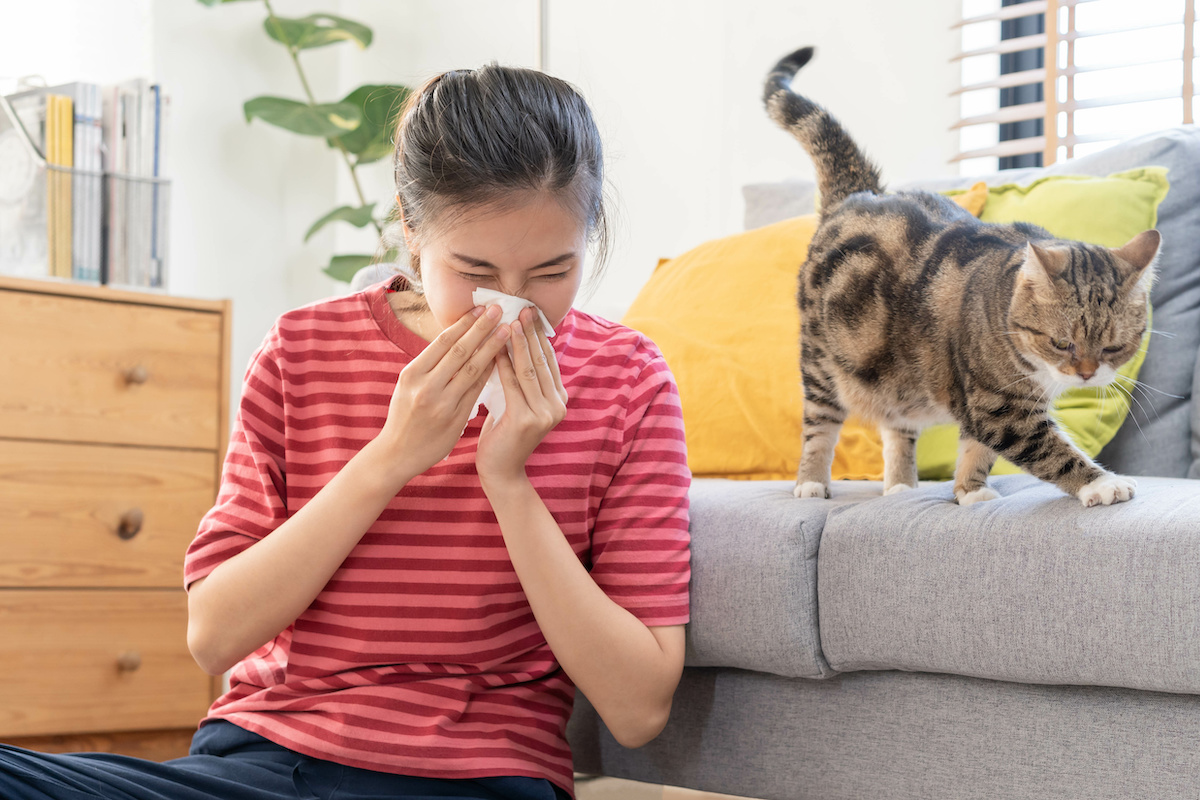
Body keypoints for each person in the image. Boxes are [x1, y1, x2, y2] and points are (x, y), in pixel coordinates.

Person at [0, 63, 691, 800]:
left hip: (475, 778)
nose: (510, 311)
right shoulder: (302, 350)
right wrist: (391, 457)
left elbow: (637, 707)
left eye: (553, 273)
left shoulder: (626, 381)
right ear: (410, 229)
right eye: (475, 272)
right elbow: (215, 635)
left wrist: (509, 483)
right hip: (263, 763)